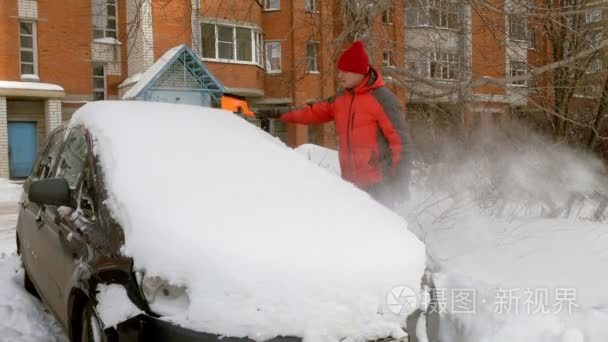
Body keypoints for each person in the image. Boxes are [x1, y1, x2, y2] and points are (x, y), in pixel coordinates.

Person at [259, 41, 411, 206]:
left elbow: (401, 144)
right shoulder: (341, 99)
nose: (340, 75)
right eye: (339, 70)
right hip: (350, 185)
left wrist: (399, 185)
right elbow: (312, 112)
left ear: (359, 71)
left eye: (345, 71)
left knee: (380, 230)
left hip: (380, 185)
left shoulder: (383, 99)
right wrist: (277, 113)